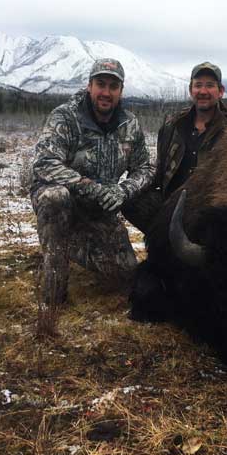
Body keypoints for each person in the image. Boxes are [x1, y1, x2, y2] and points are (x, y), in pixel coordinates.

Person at [31, 58, 153, 305]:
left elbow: (145, 168)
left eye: (113, 86)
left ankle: (75, 243)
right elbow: (45, 164)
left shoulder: (129, 124)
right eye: (100, 84)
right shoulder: (65, 118)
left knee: (125, 272)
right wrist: (90, 187)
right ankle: (54, 287)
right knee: (55, 197)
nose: (106, 92)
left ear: (121, 91)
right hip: (63, 202)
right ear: (89, 85)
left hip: (99, 212)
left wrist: (123, 191)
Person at [122, 61, 227, 233]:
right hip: (170, 207)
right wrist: (131, 186)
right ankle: (163, 243)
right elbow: (159, 171)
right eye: (198, 85)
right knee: (130, 198)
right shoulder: (172, 127)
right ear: (191, 90)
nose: (203, 91)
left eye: (210, 86)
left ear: (221, 91)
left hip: (212, 216)